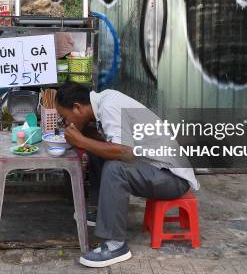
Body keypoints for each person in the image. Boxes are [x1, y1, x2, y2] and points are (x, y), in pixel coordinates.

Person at [55, 82, 199, 268]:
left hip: (173, 178)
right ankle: (101, 212)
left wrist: (82, 140)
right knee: (96, 149)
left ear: (77, 108)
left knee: (115, 169)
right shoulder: (105, 101)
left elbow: (125, 153)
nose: (65, 123)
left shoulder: (109, 106)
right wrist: (85, 139)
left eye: (64, 118)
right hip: (155, 168)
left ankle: (116, 245)